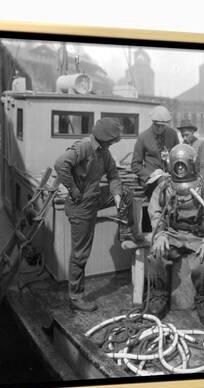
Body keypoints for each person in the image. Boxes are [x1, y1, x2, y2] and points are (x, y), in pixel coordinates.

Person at [54, 118, 128, 312]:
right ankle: (75, 297)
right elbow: (60, 164)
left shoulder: (104, 152)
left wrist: (118, 197)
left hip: (94, 199)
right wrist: (72, 189)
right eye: (111, 141)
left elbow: (113, 175)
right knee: (80, 253)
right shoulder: (85, 147)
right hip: (81, 206)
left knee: (127, 193)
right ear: (103, 138)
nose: (113, 144)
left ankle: (128, 233)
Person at [147, 144, 204, 325]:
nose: (180, 169)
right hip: (171, 234)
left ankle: (203, 299)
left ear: (192, 164)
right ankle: (160, 295)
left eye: (183, 165)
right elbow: (155, 212)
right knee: (157, 255)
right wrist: (160, 235)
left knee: (203, 264)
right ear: (171, 164)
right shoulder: (165, 188)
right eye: (177, 165)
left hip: (197, 237)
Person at [131, 105, 179, 200]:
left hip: (170, 177)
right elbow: (135, 165)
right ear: (152, 122)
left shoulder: (173, 134)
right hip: (151, 181)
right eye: (157, 126)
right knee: (163, 185)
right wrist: (150, 174)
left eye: (163, 126)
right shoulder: (143, 137)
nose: (160, 129)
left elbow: (178, 158)